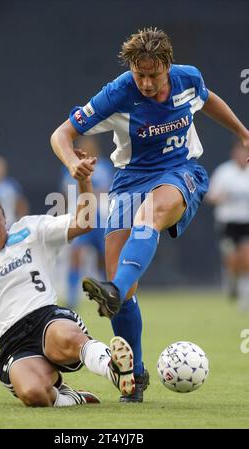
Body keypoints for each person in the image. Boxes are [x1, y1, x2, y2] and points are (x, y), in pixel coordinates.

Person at [50, 27, 249, 403]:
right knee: (121, 285)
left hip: (181, 173)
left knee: (151, 213)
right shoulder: (117, 92)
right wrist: (71, 161)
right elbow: (61, 134)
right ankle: (136, 376)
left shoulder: (188, 78)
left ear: (167, 67)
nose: (144, 82)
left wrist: (242, 132)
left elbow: (207, 100)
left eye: (152, 75)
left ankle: (115, 290)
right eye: (138, 74)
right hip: (128, 181)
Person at [0, 169, 135, 407]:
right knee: (33, 394)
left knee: (68, 337)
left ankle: (114, 369)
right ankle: (69, 397)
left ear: (5, 218)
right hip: (14, 343)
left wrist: (83, 181)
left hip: (47, 319)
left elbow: (84, 222)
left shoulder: (31, 230)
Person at [60, 135, 113, 309]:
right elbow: (66, 192)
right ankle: (72, 298)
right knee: (76, 256)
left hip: (100, 217)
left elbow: (107, 189)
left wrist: (88, 188)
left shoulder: (104, 167)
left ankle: (109, 295)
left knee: (103, 259)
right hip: (80, 216)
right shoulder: (70, 167)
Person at [206, 140, 249, 311]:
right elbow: (210, 196)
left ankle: (244, 297)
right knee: (232, 260)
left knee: (246, 258)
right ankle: (232, 282)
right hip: (228, 222)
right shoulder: (224, 172)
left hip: (246, 221)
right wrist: (220, 198)